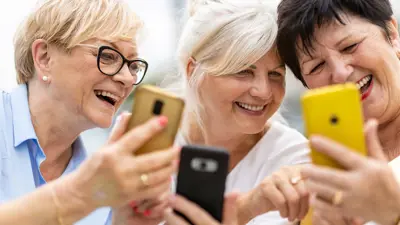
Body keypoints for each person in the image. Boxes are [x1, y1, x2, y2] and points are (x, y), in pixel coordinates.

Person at [0, 0, 179, 224]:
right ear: (44, 57)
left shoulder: (105, 177)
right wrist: (81, 195)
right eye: (108, 56)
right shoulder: (95, 185)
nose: (127, 79)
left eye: (134, 66)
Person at [162, 0, 310, 224]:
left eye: (275, 75)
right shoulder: (150, 143)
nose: (263, 92)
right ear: (193, 70)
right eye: (243, 71)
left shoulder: (292, 158)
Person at [276, 0, 400, 224]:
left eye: (350, 46)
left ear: (392, 35)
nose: (340, 73)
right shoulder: (314, 181)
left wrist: (393, 210)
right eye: (316, 66)